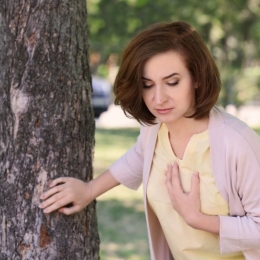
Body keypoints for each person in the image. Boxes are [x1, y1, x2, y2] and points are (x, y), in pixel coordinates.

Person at [39, 21, 260, 260]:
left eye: (172, 82)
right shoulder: (154, 128)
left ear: (197, 77)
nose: (158, 98)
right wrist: (89, 190)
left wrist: (196, 218)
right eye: (147, 85)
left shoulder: (237, 143)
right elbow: (140, 156)